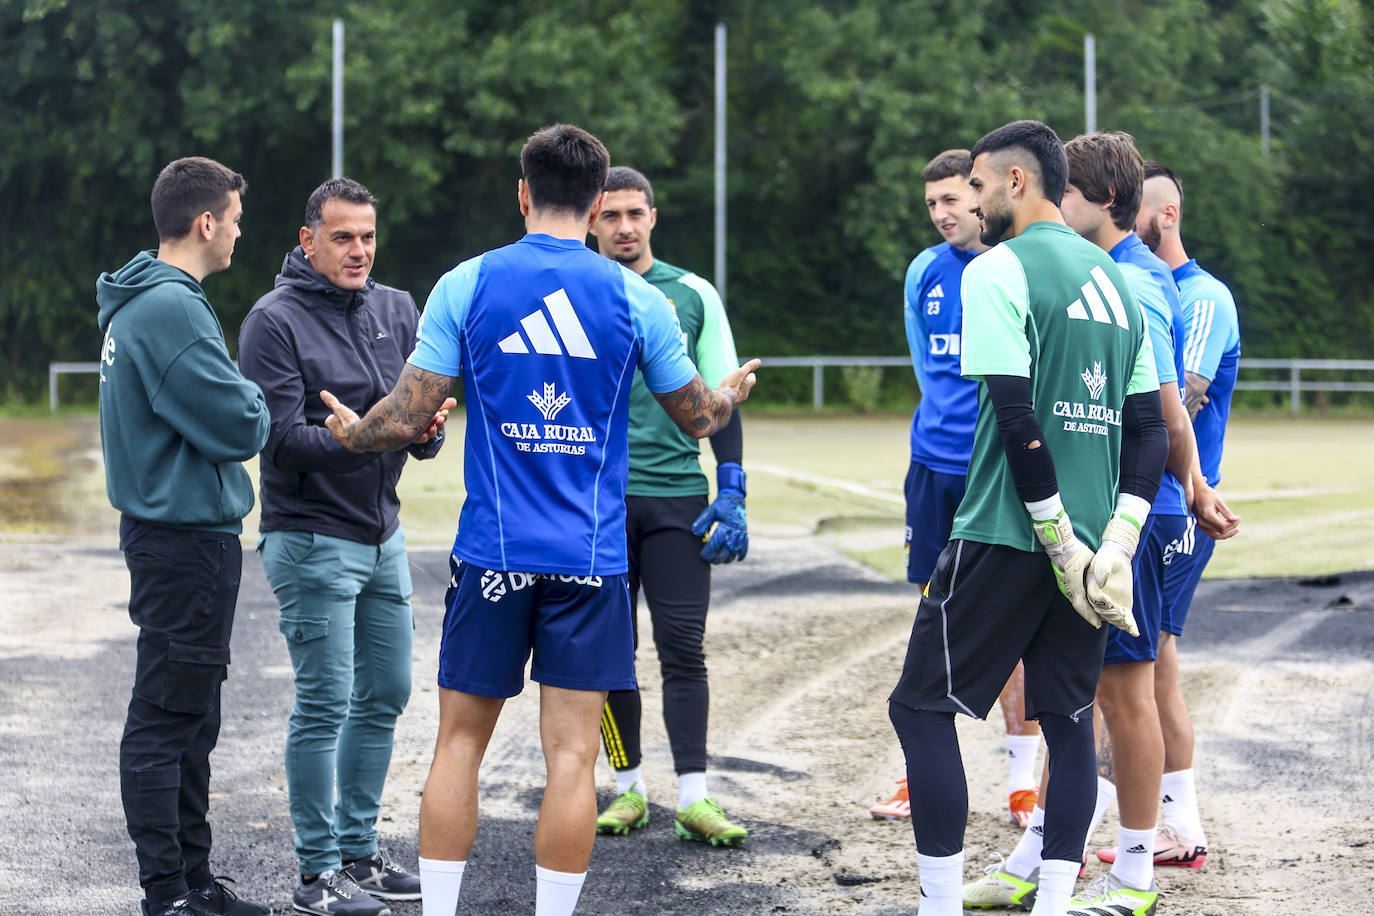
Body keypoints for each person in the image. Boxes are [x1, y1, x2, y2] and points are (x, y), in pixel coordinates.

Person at [320, 124, 760, 916]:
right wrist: (730, 396)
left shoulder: (468, 283)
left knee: (458, 745)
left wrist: (352, 433)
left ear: (522, 194)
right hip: (591, 559)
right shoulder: (638, 296)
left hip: (494, 552)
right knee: (571, 758)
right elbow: (698, 415)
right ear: (597, 208)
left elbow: (403, 416)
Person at [888, 119, 1169, 916]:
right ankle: (1052, 903)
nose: (968, 204)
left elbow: (1018, 421)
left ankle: (937, 904)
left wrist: (1056, 539)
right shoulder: (1118, 279)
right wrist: (1113, 541)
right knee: (1071, 722)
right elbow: (1146, 428)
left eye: (975, 186)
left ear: (1015, 183)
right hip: (1093, 554)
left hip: (1010, 534)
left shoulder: (994, 271)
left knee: (919, 707)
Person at [238, 178, 450, 915]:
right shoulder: (273, 320)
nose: (358, 249)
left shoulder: (397, 308)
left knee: (386, 693)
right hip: (309, 537)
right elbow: (278, 441)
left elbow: (415, 421)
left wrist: (424, 432)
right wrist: (363, 437)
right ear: (309, 241)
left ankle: (359, 854)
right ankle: (314, 874)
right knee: (325, 702)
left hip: (382, 534)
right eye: (341, 237)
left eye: (366, 235)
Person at [97, 157, 271, 916]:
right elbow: (240, 421)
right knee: (168, 717)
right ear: (206, 222)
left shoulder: (148, 299)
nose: (238, 230)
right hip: (182, 542)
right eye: (234, 217)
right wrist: (259, 396)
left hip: (179, 539)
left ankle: (195, 883)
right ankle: (167, 894)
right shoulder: (170, 306)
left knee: (192, 717)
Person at [871, 149, 1044, 828]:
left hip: (996, 473)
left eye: (955, 199)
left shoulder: (1016, 269)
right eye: (933, 204)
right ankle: (923, 771)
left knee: (1015, 626)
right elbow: (930, 373)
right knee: (929, 619)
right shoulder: (923, 272)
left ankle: (1023, 782)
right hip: (932, 470)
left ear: (983, 196)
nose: (945, 214)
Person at [585, 166, 750, 845]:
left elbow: (724, 395)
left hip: (679, 497)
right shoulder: (578, 289)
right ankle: (627, 790)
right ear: (591, 220)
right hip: (595, 503)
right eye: (611, 215)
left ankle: (693, 797)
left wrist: (733, 485)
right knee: (606, 654)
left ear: (653, 216)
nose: (625, 226)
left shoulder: (692, 294)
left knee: (684, 647)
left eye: (636, 213)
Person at [1092, 161, 1241, 871]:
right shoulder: (1129, 281)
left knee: (1150, 672)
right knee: (1134, 672)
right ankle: (1155, 825)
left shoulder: (1198, 294)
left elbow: (1182, 395)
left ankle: (1175, 827)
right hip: (1151, 498)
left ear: (1166, 215)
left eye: (1136, 209)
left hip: (1175, 505)